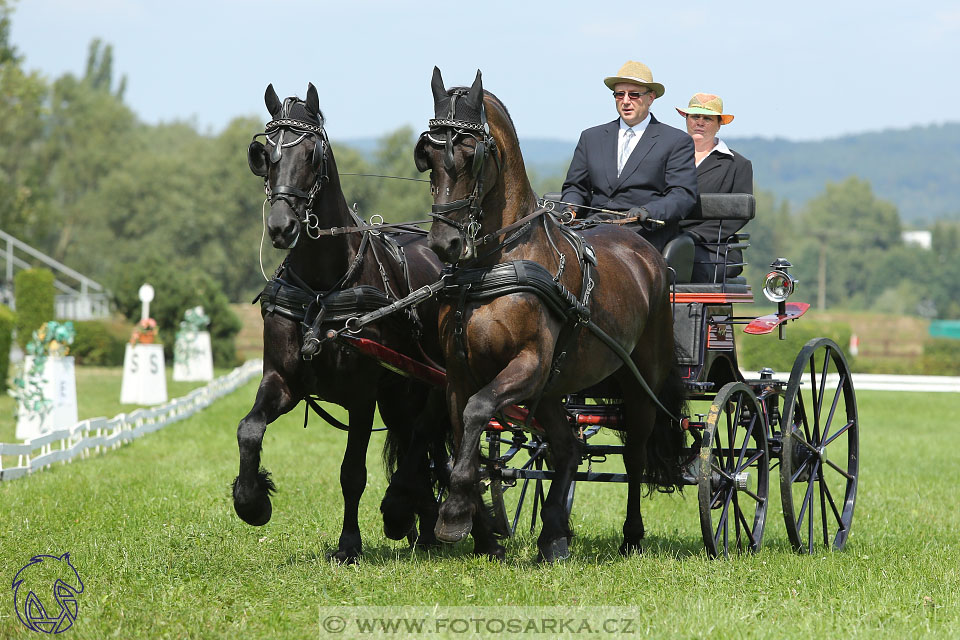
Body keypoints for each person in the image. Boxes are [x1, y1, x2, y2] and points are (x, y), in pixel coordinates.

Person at [561, 61, 698, 253]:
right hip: (593, 228)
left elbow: (682, 194)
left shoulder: (675, 141)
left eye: (634, 94)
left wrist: (648, 211)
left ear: (651, 98)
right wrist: (570, 209)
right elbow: (577, 187)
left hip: (644, 231)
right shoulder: (591, 137)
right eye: (619, 94)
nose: (626, 101)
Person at [676, 93, 753, 283]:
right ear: (686, 120)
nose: (699, 123)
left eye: (707, 118)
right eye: (695, 117)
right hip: (665, 240)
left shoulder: (737, 165)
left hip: (714, 247)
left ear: (719, 124)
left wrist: (692, 236)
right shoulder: (666, 159)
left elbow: (737, 216)